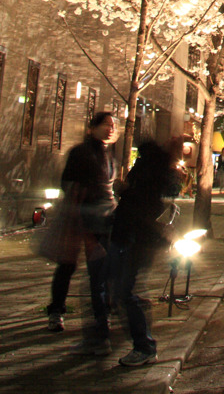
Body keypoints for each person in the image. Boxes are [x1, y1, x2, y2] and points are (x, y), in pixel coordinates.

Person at [45, 111, 117, 352]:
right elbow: (68, 183)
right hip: (81, 217)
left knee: (99, 272)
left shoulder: (107, 154)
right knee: (68, 265)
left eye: (112, 125)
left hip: (104, 218)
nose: (110, 129)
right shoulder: (81, 152)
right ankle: (57, 310)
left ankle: (101, 319)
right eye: (106, 125)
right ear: (92, 127)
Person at [109, 140, 181, 367]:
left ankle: (144, 345)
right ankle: (139, 339)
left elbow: (140, 206)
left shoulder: (149, 171)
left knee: (126, 290)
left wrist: (125, 192)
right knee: (123, 288)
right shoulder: (161, 171)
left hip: (135, 237)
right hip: (136, 237)